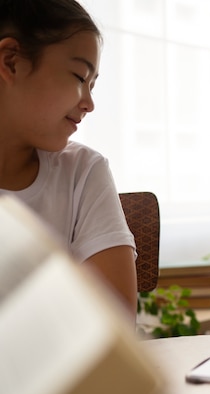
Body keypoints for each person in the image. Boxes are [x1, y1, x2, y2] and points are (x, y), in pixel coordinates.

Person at [0, 0, 137, 316]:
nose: (89, 103)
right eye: (79, 76)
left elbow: (115, 321)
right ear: (11, 62)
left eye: (93, 85)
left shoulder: (83, 171)